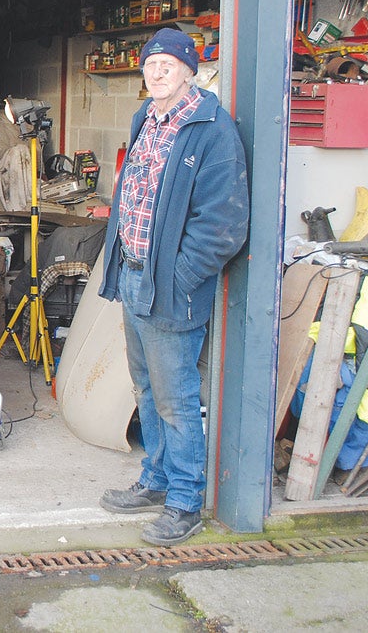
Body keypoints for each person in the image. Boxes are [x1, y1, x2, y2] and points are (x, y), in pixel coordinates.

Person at [96, 27, 249, 546]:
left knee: (176, 399)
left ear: (190, 70)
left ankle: (186, 501)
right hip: (135, 274)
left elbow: (222, 226)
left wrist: (179, 275)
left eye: (168, 64)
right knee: (144, 388)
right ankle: (156, 480)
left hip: (171, 287)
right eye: (149, 64)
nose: (156, 72)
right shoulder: (146, 119)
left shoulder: (212, 129)